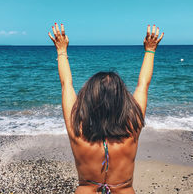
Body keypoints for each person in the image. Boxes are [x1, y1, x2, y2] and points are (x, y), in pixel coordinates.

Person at [48, 23, 164, 194]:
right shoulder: (132, 130)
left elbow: (66, 85)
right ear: (122, 101)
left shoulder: (77, 132)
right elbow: (142, 86)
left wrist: (61, 50)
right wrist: (150, 50)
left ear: (88, 101)